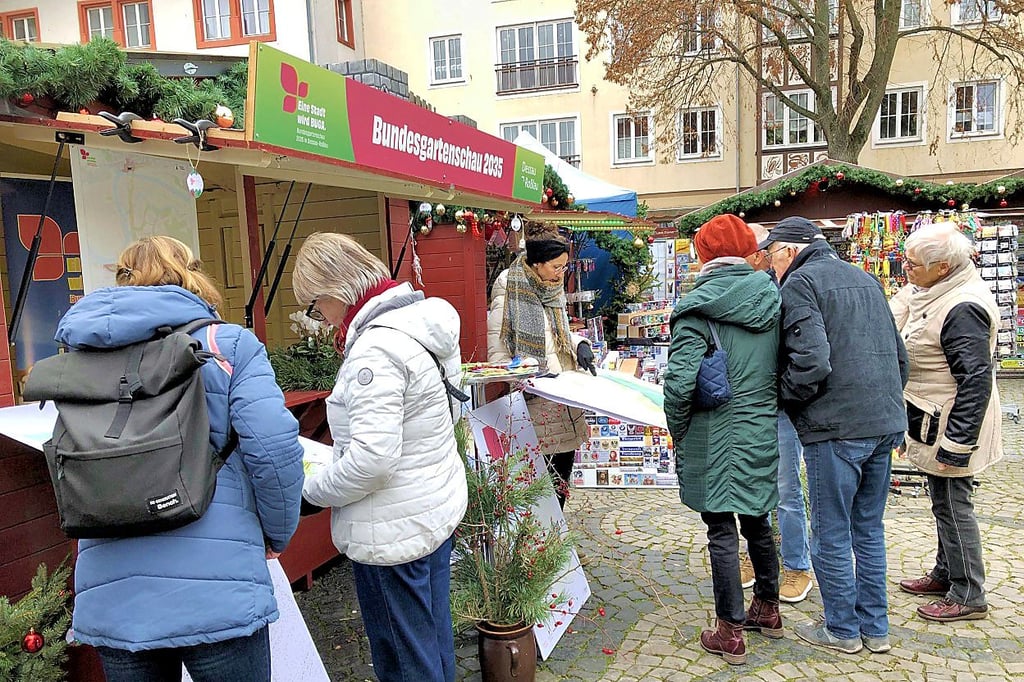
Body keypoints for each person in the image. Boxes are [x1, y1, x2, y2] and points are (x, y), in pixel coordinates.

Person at [55, 236, 304, 682]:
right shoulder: (229, 346)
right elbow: (273, 446)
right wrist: (278, 534)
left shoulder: (80, 358)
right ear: (192, 274)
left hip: (117, 593)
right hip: (218, 586)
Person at [293, 232, 467, 682]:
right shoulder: (417, 320)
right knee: (432, 642)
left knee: (403, 659)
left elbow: (372, 460)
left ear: (333, 293)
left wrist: (312, 487)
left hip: (391, 531)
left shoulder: (376, 349)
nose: (320, 320)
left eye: (315, 308)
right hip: (428, 511)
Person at [761, 216, 908, 655]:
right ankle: (875, 629)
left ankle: (842, 629)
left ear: (789, 251)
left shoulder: (800, 284)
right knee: (868, 529)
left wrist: (785, 399)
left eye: (771, 254)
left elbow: (812, 362)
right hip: (882, 421)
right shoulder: (866, 279)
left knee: (830, 533)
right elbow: (900, 360)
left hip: (836, 428)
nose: (770, 264)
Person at [664, 215, 783, 666]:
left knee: (720, 530)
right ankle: (768, 608)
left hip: (713, 434)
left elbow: (679, 387)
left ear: (702, 255)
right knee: (757, 518)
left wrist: (679, 432)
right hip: (757, 428)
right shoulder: (770, 299)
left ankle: (730, 631)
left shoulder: (696, 309)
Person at [892, 222, 1001, 622]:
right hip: (934, 415)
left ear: (942, 268)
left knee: (955, 505)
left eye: (913, 264)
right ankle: (945, 571)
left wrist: (957, 446)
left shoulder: (962, 308)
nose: (905, 268)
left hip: (953, 425)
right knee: (943, 503)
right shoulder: (938, 290)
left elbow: (975, 380)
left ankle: (969, 593)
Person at [487, 226, 595, 508]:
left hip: (565, 403)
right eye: (556, 267)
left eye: (564, 267)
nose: (561, 273)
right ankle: (540, 547)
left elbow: (556, 334)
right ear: (536, 264)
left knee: (561, 482)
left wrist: (579, 343)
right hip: (536, 407)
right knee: (539, 489)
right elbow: (498, 360)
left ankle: (556, 546)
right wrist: (532, 370)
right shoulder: (509, 298)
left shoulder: (552, 292)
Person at [738, 223, 814, 603]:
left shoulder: (783, 288)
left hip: (778, 405)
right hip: (752, 404)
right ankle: (753, 556)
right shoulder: (740, 289)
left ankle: (798, 565)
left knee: (785, 488)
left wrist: (785, 393)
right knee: (753, 484)